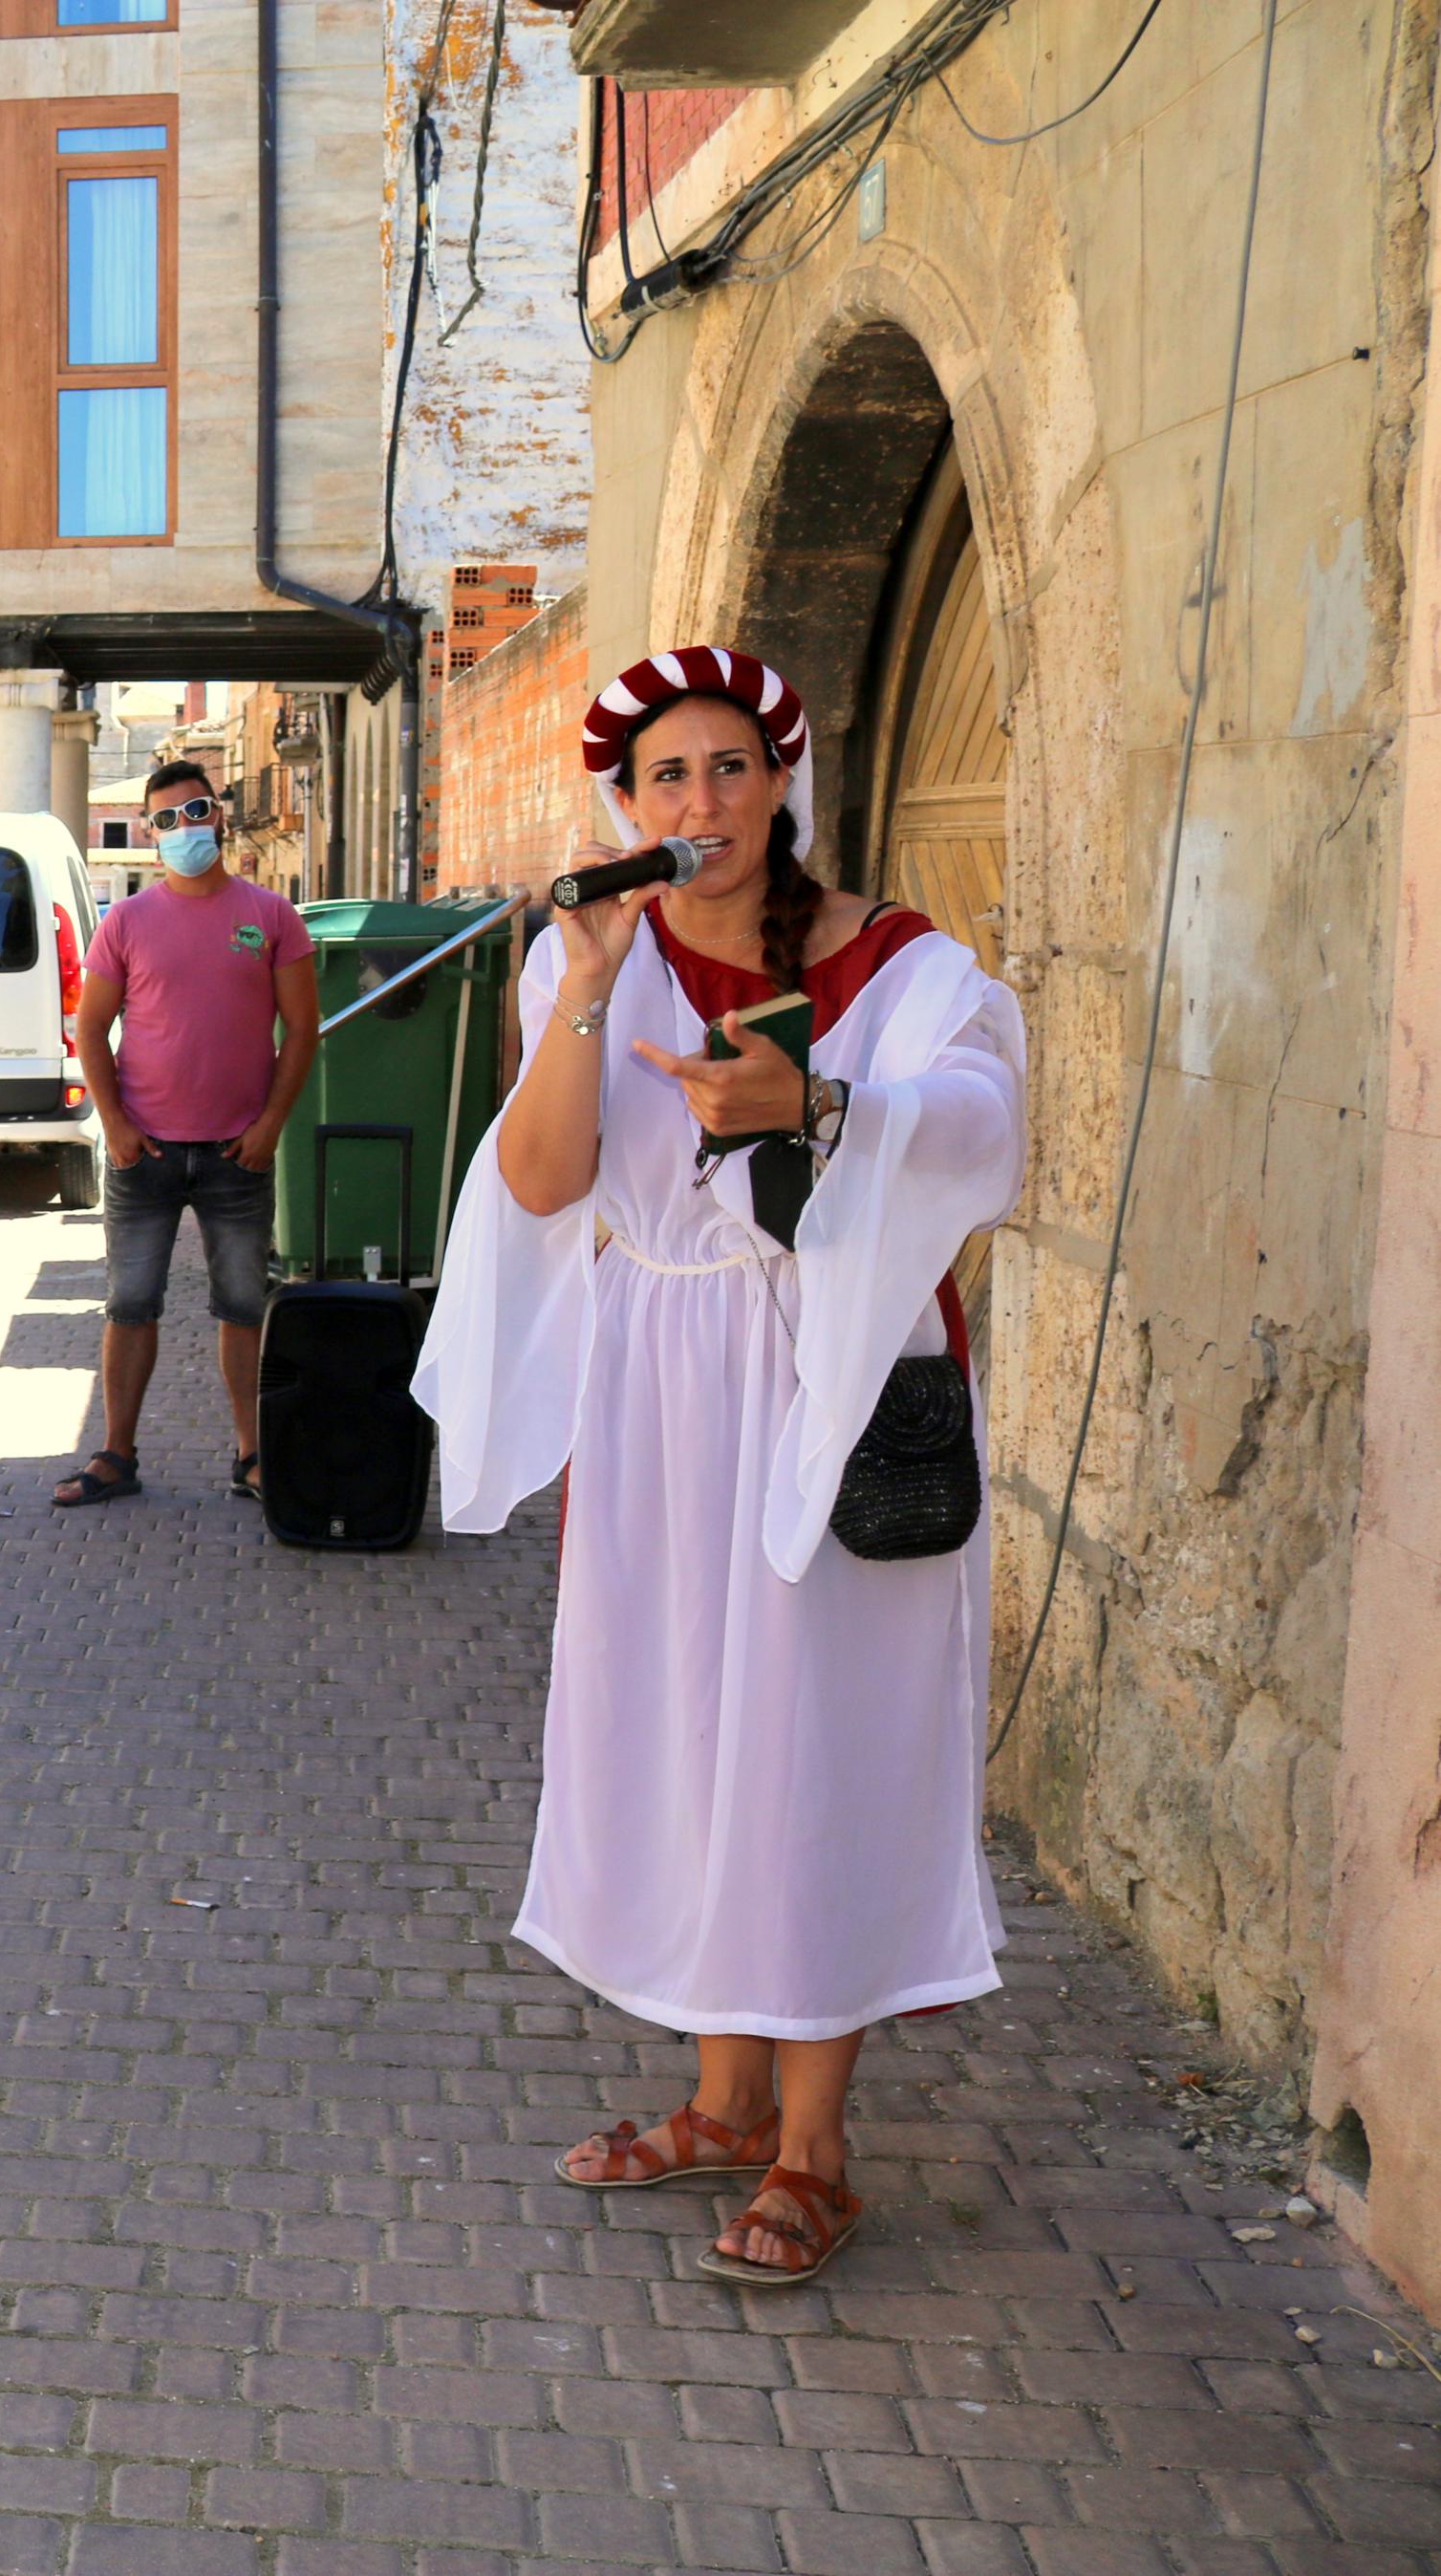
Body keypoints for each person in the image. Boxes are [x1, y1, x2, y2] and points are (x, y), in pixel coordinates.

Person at [411, 644, 1027, 2286]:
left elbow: (983, 1130)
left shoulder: (892, 964)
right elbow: (542, 1182)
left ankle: (815, 2149)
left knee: (810, 1742)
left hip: (828, 1379)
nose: (701, 805)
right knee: (684, 1728)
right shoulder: (590, 964)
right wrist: (592, 978)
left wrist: (817, 1104)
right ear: (627, 807)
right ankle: (721, 2098)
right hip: (656, 1391)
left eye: (729, 770)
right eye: (665, 779)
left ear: (779, 785)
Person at [57, 760, 317, 1508]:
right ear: (148, 833)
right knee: (129, 1303)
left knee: (242, 1307)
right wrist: (114, 1124)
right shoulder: (127, 922)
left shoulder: (271, 916)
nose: (181, 829)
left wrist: (270, 1124)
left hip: (240, 1152)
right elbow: (91, 1027)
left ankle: (251, 1456)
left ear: (220, 816)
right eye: (164, 820)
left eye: (193, 811)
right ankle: (116, 1455)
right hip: (146, 1153)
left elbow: (301, 1032)